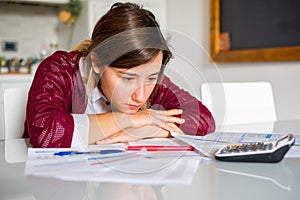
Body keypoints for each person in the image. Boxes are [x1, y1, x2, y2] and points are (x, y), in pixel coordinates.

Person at [23, 2, 215, 148]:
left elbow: (203, 119)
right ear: (97, 63)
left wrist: (147, 130)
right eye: (127, 79)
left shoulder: (147, 74)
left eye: (151, 78)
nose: (140, 96)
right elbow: (45, 133)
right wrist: (127, 119)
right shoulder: (60, 69)